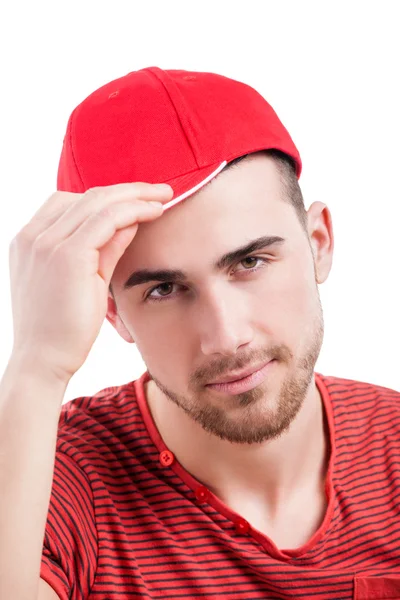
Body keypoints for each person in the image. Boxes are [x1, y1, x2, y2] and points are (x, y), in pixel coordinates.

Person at [1, 66, 399, 600]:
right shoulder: (53, 483)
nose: (226, 336)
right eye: (164, 289)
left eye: (251, 261)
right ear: (113, 313)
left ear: (319, 243)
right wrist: (35, 363)